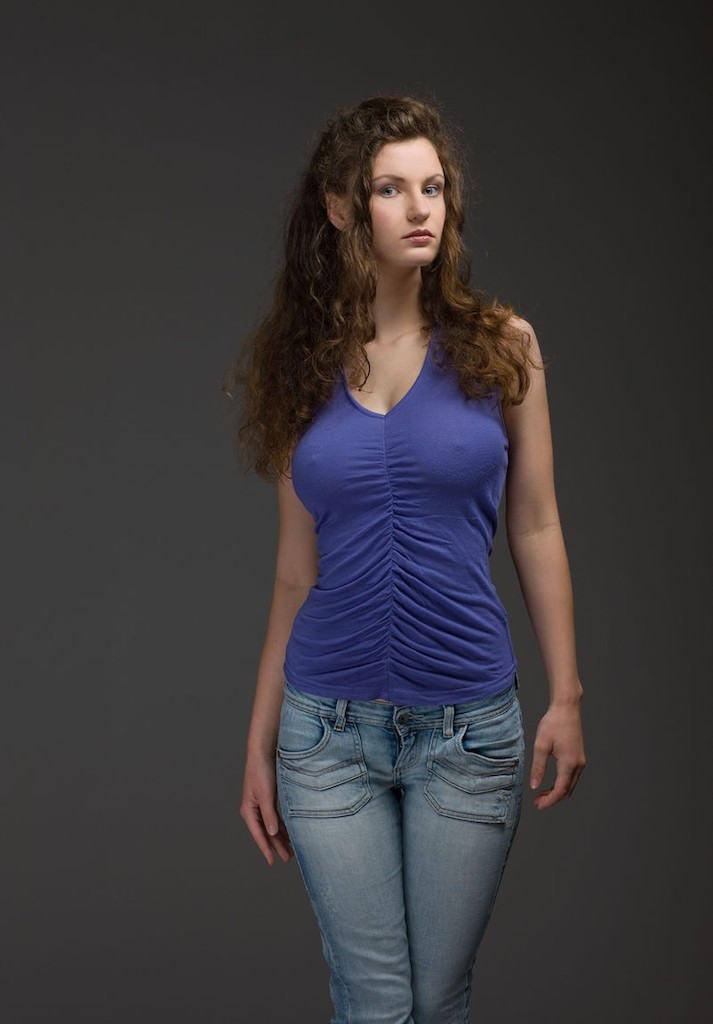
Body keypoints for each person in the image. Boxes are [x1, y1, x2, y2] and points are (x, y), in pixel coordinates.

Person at [223, 94, 586, 1024]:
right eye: (391, 189)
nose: (421, 208)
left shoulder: (502, 348)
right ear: (341, 207)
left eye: (433, 187)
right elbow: (295, 573)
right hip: (325, 734)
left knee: (436, 1000)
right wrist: (258, 745)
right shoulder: (302, 365)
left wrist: (566, 697)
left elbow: (535, 524)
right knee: (376, 1003)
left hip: (468, 732)